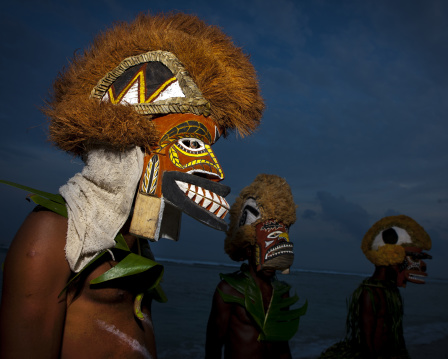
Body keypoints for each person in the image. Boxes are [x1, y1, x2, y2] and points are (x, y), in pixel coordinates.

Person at [0, 12, 264, 358]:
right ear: (129, 146)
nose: (215, 172)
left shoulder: (136, 243)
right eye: (192, 144)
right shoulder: (51, 238)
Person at [205, 174, 307, 359]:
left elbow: (282, 344)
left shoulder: (281, 292)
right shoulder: (229, 290)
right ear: (249, 250)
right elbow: (214, 344)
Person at [319, 215, 432, 359]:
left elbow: (394, 331)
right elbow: (367, 338)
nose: (408, 267)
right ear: (389, 260)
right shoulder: (369, 293)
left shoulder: (390, 292)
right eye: (402, 262)